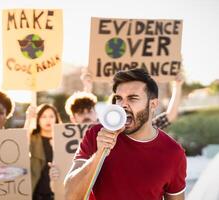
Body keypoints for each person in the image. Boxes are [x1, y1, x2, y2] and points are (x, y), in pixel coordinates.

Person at [64, 68, 187, 200]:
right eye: (119, 99)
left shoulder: (173, 153)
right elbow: (70, 195)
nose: (123, 105)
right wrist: (99, 153)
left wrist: (177, 86)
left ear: (153, 104)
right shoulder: (96, 134)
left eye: (132, 98)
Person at [28, 104, 62, 200]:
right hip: (37, 194)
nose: (48, 120)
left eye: (51, 116)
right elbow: (22, 144)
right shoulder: (32, 139)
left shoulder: (63, 140)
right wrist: (29, 119)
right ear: (38, 119)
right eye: (43, 116)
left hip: (58, 194)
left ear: (56, 118)